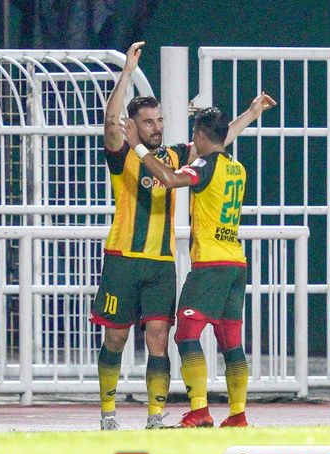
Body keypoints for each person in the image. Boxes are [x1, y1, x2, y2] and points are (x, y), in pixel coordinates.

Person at [90, 40, 275, 430]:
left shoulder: (174, 156)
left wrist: (251, 113)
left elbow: (217, 140)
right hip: (122, 259)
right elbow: (110, 124)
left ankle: (156, 417)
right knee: (116, 341)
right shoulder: (122, 152)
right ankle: (107, 414)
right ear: (133, 126)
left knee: (159, 339)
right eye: (148, 121)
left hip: (160, 265)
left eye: (159, 120)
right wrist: (126, 74)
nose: (156, 126)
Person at [121, 100, 276, 428]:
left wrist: (136, 145)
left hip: (211, 264)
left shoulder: (204, 166)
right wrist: (250, 114)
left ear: (201, 135)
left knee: (186, 335)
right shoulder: (236, 167)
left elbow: (169, 178)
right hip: (236, 263)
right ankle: (237, 414)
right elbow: (222, 141)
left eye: (195, 133)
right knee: (231, 341)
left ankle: (200, 409)